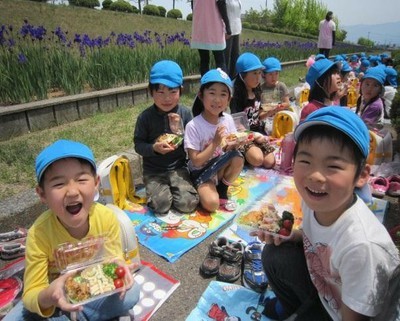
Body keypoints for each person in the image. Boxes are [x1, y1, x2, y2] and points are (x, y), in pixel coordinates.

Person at [254, 107, 400, 321]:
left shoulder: (361, 246)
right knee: (274, 253)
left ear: (361, 176)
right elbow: (313, 237)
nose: (315, 176)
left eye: (332, 165)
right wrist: (288, 236)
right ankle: (294, 307)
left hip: (348, 314)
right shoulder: (315, 201)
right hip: (328, 290)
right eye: (305, 161)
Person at [3, 139, 140, 321]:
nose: (72, 192)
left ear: (96, 183)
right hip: (56, 300)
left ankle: (77, 315)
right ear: (42, 194)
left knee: (132, 292)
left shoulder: (106, 219)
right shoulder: (38, 234)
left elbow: (114, 260)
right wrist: (50, 295)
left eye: (82, 180)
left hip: (95, 287)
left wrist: (120, 268)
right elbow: (31, 294)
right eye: (59, 184)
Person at [134, 60, 199, 215]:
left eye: (172, 91)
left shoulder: (185, 113)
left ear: (181, 91)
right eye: (160, 92)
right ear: (151, 92)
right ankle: (158, 191)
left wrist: (179, 131)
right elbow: (138, 145)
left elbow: (192, 142)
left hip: (178, 168)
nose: (167, 98)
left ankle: (176, 189)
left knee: (188, 204)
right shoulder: (145, 117)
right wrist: (154, 148)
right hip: (153, 171)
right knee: (161, 205)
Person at [184, 68, 244, 212]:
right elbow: (196, 161)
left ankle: (222, 188)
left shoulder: (227, 119)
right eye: (212, 93)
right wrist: (215, 142)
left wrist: (234, 144)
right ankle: (206, 189)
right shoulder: (193, 125)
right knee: (212, 205)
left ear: (229, 99)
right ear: (201, 95)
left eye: (223, 94)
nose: (217, 100)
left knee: (238, 157)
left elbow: (227, 148)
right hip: (201, 172)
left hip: (219, 167)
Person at [230, 52, 276, 168]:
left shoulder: (257, 90)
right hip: (243, 136)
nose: (258, 77)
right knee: (257, 159)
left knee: (270, 162)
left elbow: (258, 115)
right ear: (242, 75)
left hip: (257, 132)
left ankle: (250, 155)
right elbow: (237, 125)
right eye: (254, 73)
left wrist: (270, 112)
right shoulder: (235, 96)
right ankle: (239, 154)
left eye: (260, 73)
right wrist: (253, 136)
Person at [191, 0, 232, 76]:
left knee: (204, 61)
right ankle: (222, 85)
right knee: (220, 61)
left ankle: (205, 86)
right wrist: (228, 27)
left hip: (200, 28)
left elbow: (192, 6)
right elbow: (221, 5)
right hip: (214, 27)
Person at [223, 0, 242, 79]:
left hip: (236, 29)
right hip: (227, 30)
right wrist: (226, 28)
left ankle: (233, 79)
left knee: (235, 55)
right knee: (225, 56)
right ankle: (224, 79)